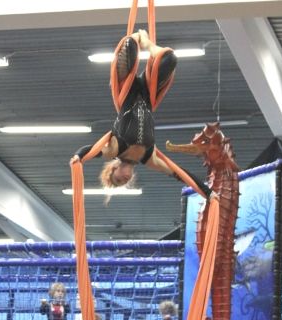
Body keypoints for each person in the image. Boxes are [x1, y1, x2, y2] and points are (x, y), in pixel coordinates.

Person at [71, 29, 213, 200]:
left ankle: (139, 40)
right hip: (148, 91)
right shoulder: (149, 158)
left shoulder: (115, 149)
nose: (124, 180)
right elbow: (180, 173)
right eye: (124, 183)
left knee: (130, 45)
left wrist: (78, 157)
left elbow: (91, 151)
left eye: (118, 179)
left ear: (114, 168)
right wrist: (208, 193)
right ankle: (147, 43)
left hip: (126, 89)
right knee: (170, 58)